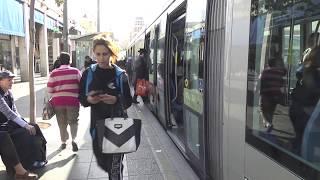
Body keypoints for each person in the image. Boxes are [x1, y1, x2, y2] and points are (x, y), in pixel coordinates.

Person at [79, 34, 132, 180]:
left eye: (105, 54)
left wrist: (115, 99)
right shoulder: (88, 73)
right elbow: (82, 99)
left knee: (114, 167)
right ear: (94, 54)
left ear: (111, 54)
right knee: (103, 161)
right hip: (97, 127)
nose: (101, 58)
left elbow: (128, 101)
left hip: (117, 126)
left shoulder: (121, 75)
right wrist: (90, 99)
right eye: (98, 54)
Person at [0, 70, 47, 170]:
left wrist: (26, 123)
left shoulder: (9, 93)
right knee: (24, 133)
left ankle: (40, 157)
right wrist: (25, 126)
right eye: (9, 80)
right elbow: (8, 113)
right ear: (0, 81)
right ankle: (27, 163)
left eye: (12, 80)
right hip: (2, 127)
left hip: (9, 124)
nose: (12, 82)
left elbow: (15, 112)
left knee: (34, 126)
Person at [47, 52, 82, 151]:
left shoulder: (54, 73)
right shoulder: (75, 71)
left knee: (61, 122)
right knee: (73, 121)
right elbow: (82, 85)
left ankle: (63, 141)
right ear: (69, 61)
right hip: (73, 101)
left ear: (59, 61)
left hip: (58, 102)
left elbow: (49, 89)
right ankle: (74, 140)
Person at [259, 58, 287, 132]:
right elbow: (282, 84)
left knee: (263, 109)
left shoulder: (265, 72)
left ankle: (268, 123)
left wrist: (259, 91)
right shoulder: (279, 72)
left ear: (268, 64)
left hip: (266, 95)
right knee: (271, 110)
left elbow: (261, 82)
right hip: (276, 95)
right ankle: (269, 123)